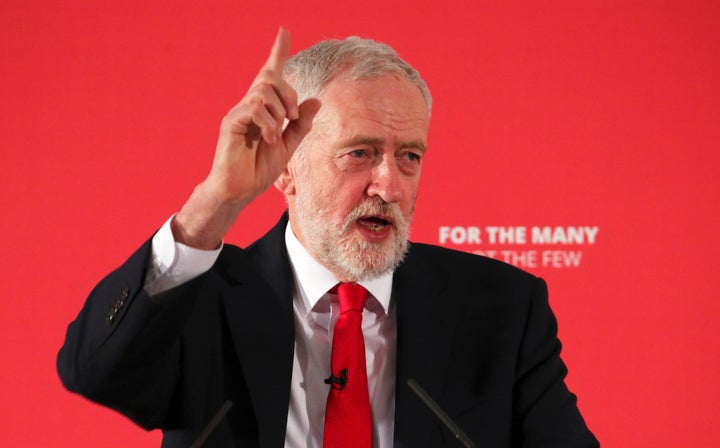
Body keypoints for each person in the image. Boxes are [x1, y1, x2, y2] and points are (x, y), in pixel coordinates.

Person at [58, 28, 599, 447]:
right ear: (286, 169)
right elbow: (93, 373)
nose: (389, 184)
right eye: (360, 153)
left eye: (409, 156)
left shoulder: (502, 307)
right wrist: (214, 202)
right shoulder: (202, 301)